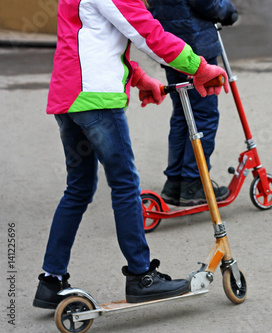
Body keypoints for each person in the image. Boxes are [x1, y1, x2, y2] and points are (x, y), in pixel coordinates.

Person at [33, 0, 229, 309]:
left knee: (78, 189)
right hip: (97, 99)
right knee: (124, 185)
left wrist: (138, 78)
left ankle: (51, 279)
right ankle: (141, 276)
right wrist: (201, 68)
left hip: (68, 98)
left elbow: (93, 38)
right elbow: (148, 33)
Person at [147, 0, 238, 206]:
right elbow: (205, 3)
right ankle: (193, 182)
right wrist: (227, 11)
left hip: (170, 44)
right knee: (204, 115)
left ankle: (174, 181)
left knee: (182, 113)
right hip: (196, 44)